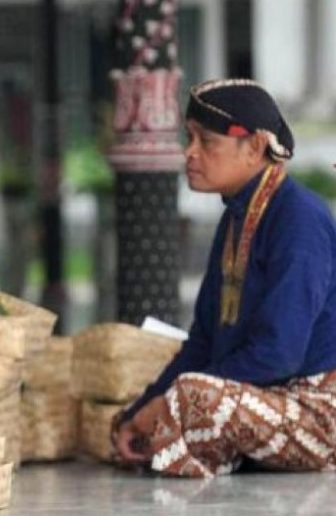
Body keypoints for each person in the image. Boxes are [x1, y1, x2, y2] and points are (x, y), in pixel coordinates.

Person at [112, 79, 336, 477]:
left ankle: (193, 444)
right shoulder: (236, 217)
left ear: (253, 146)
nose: (190, 153)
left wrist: (167, 405)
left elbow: (278, 354)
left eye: (206, 142)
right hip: (262, 398)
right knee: (154, 409)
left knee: (191, 398)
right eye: (189, 138)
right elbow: (201, 343)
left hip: (318, 411)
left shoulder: (299, 219)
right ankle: (192, 443)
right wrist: (141, 408)